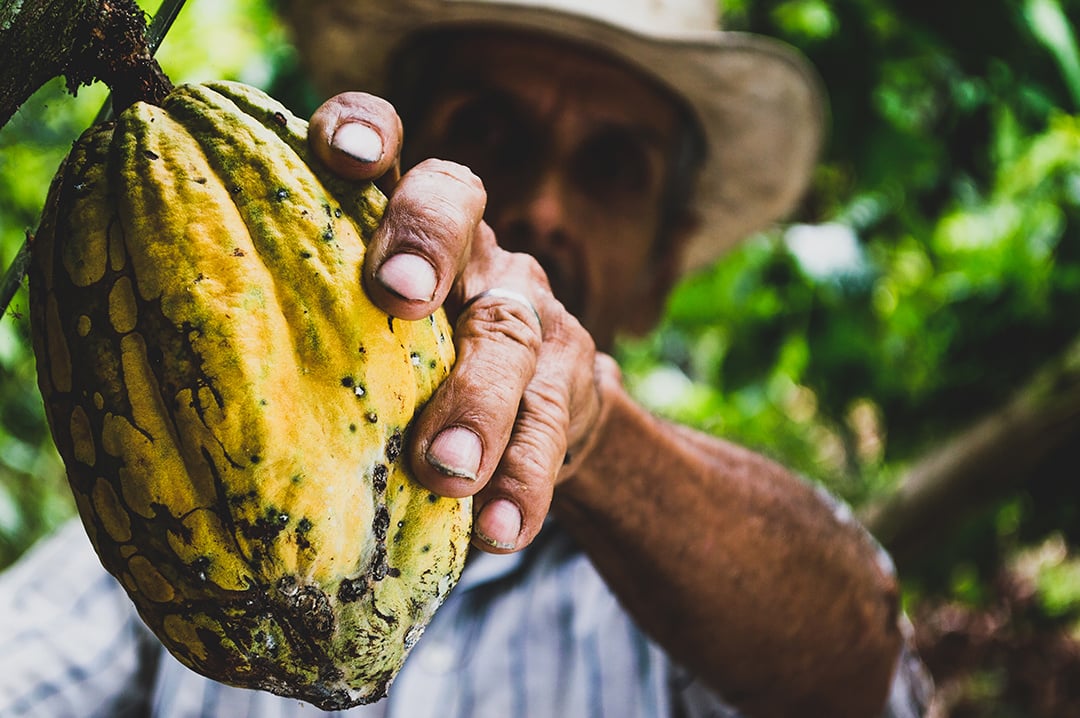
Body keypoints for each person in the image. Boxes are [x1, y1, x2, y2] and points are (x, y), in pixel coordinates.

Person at [0, 0, 933, 716]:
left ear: (665, 263)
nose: (545, 206)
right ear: (382, 161)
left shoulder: (699, 601)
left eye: (612, 167)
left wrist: (593, 434)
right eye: (489, 131)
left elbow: (857, 662)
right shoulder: (164, 504)